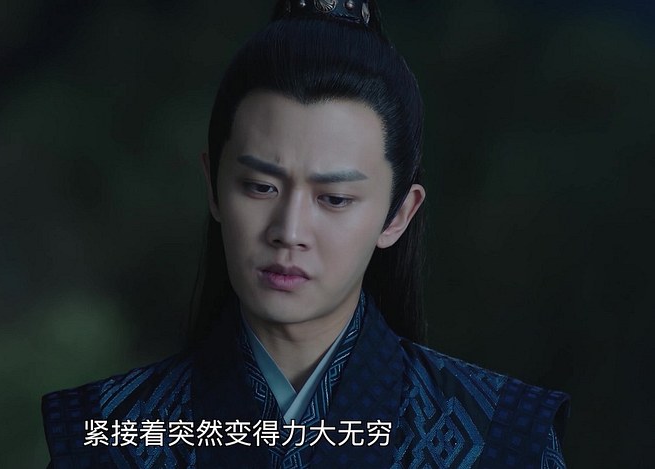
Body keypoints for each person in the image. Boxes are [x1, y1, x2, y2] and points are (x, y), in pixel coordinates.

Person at [41, 1, 571, 467]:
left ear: (398, 216)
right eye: (260, 187)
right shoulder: (106, 438)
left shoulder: (504, 440)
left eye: (334, 198)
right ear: (213, 187)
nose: (289, 231)